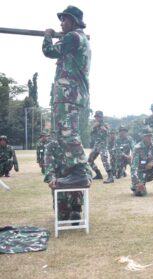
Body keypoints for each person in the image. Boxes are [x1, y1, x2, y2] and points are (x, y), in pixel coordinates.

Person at [42, 5, 91, 187]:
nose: (61, 24)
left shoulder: (73, 37)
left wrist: (48, 35)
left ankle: (80, 172)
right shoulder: (78, 39)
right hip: (72, 95)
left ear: (74, 21)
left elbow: (49, 51)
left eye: (65, 20)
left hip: (68, 95)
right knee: (64, 134)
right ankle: (76, 170)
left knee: (67, 133)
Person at [43, 138, 90, 222]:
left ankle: (75, 209)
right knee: (62, 218)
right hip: (59, 179)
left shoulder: (76, 144)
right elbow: (48, 165)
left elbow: (85, 164)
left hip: (74, 179)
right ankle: (64, 212)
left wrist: (88, 178)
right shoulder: (51, 146)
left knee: (75, 213)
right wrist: (51, 178)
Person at [88, 110, 113, 184]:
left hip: (103, 145)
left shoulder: (105, 125)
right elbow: (91, 133)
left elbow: (110, 135)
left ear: (101, 117)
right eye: (96, 117)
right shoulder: (95, 125)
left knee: (104, 160)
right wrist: (93, 127)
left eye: (98, 117)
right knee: (89, 160)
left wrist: (105, 130)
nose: (96, 118)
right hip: (96, 145)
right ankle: (98, 174)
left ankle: (110, 176)